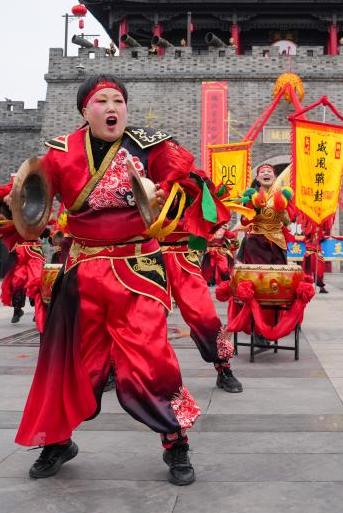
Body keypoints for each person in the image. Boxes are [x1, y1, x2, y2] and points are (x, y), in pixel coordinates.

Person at [15, 75, 211, 486]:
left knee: (152, 358)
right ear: (84, 111)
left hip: (138, 270)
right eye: (101, 101)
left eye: (118, 100)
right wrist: (10, 203)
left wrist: (167, 193)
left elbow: (190, 180)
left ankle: (175, 441)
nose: (111, 108)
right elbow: (31, 196)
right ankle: (58, 441)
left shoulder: (151, 147)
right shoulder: (61, 153)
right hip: (83, 271)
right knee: (74, 363)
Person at [160, 227, 243, 393]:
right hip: (145, 257)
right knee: (141, 320)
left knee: (205, 315)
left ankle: (223, 368)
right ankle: (118, 370)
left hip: (184, 255)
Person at [238, 164, 291, 264]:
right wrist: (255, 208)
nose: (266, 173)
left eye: (269, 171)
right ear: (258, 179)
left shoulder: (282, 196)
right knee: (257, 272)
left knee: (278, 273)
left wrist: (281, 210)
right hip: (256, 241)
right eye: (262, 172)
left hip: (277, 242)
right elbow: (244, 221)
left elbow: (287, 223)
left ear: (275, 178)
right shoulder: (252, 195)